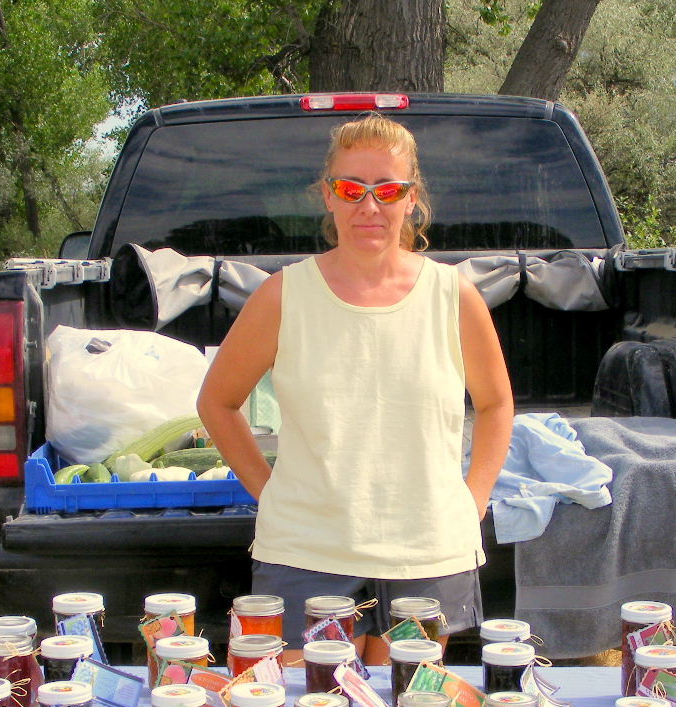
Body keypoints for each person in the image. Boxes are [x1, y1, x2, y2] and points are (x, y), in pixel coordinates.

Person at [196, 112, 513, 667]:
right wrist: (269, 492)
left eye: (388, 190)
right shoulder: (282, 296)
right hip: (304, 551)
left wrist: (473, 500)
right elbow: (217, 403)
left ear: (411, 199)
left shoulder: (453, 295)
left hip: (428, 551)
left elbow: (495, 404)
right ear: (328, 195)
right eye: (352, 189)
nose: (370, 206)